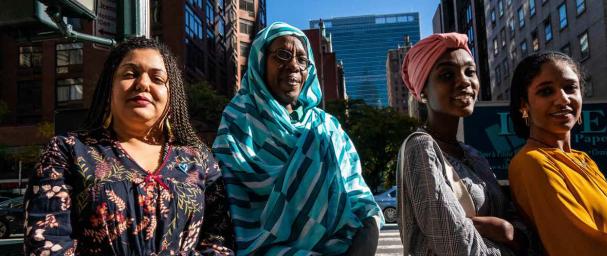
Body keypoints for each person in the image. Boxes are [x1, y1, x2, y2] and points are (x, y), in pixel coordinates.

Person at [24, 37, 235, 255]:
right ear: (109, 88)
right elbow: (47, 242)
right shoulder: (67, 151)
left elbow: (219, 240)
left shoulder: (199, 159)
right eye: (130, 74)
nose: (143, 84)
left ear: (171, 95)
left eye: (157, 78)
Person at [212, 22, 383, 256]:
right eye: (282, 55)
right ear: (261, 62)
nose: (293, 65)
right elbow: (224, 206)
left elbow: (362, 202)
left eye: (302, 60)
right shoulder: (238, 120)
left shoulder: (326, 126)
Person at [397, 33, 529, 255]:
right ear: (423, 92)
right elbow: (456, 248)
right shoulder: (420, 147)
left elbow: (516, 221)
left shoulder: (473, 155)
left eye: (470, 72)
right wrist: (513, 243)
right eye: (447, 75)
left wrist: (509, 230)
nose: (465, 81)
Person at [508, 51, 607, 256]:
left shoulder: (584, 160)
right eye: (546, 92)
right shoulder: (531, 163)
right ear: (524, 104)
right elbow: (578, 248)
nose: (562, 99)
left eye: (570, 88)